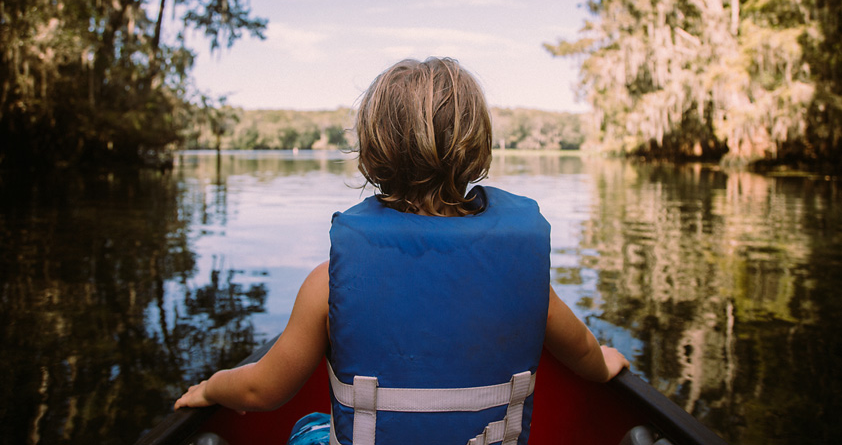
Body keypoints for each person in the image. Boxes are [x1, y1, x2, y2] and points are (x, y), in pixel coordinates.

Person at [175, 57, 629, 445]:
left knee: (310, 425)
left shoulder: (328, 285)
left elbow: (261, 391)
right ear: (478, 151)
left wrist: (214, 388)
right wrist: (603, 365)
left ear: (371, 157)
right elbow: (586, 353)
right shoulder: (524, 283)